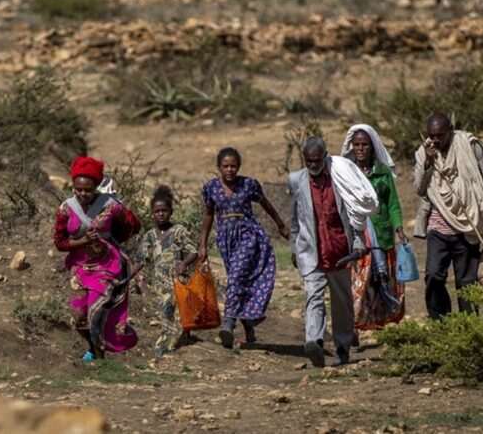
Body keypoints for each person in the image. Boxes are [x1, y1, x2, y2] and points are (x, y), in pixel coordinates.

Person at [289, 136, 379, 367]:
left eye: (317, 160)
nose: (313, 165)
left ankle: (342, 347)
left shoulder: (340, 177)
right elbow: (295, 220)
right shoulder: (296, 180)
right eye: (308, 161)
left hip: (339, 250)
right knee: (313, 296)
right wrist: (294, 247)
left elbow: (355, 213)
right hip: (311, 251)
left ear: (325, 155)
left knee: (342, 303)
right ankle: (315, 343)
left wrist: (358, 241)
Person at [199, 148, 289, 349]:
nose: (229, 170)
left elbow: (266, 204)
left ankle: (229, 322)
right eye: (225, 166)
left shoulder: (248, 185)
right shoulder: (211, 188)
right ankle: (249, 329)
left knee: (236, 277)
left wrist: (281, 225)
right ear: (218, 167)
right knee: (240, 282)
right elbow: (208, 216)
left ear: (238, 167)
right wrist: (203, 245)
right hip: (225, 239)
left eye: (233, 166)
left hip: (249, 235)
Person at [413, 113, 483, 318]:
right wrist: (427, 162)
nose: (435, 140)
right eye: (431, 136)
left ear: (450, 130)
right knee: (434, 275)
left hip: (468, 225)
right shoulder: (423, 152)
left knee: (467, 281)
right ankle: (440, 322)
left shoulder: (469, 146)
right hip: (438, 226)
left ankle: (468, 326)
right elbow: (419, 188)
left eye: (440, 136)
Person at [54, 156, 141, 361]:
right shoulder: (66, 209)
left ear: (96, 187)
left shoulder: (110, 205)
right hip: (80, 267)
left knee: (96, 312)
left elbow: (133, 224)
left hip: (107, 265)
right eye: (78, 189)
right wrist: (82, 240)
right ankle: (94, 347)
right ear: (73, 187)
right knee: (78, 316)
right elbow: (59, 243)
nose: (83, 194)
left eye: (88, 189)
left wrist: (114, 237)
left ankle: (100, 362)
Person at [341, 124, 405, 332]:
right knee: (357, 284)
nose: (360, 149)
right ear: (351, 146)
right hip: (357, 235)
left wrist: (399, 228)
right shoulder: (346, 172)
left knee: (380, 282)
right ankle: (352, 326)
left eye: (364, 145)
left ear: (372, 147)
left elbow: (392, 204)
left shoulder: (382, 172)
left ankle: (379, 323)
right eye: (357, 144)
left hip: (381, 234)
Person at [133, 185, 200, 358]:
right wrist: (127, 276)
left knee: (174, 312)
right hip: (160, 284)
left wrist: (185, 263)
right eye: (157, 211)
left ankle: (163, 349)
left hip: (178, 280)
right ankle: (174, 343)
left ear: (171, 212)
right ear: (152, 213)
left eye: (164, 210)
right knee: (165, 313)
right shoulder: (149, 236)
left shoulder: (178, 231)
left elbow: (194, 251)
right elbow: (141, 260)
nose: (161, 214)